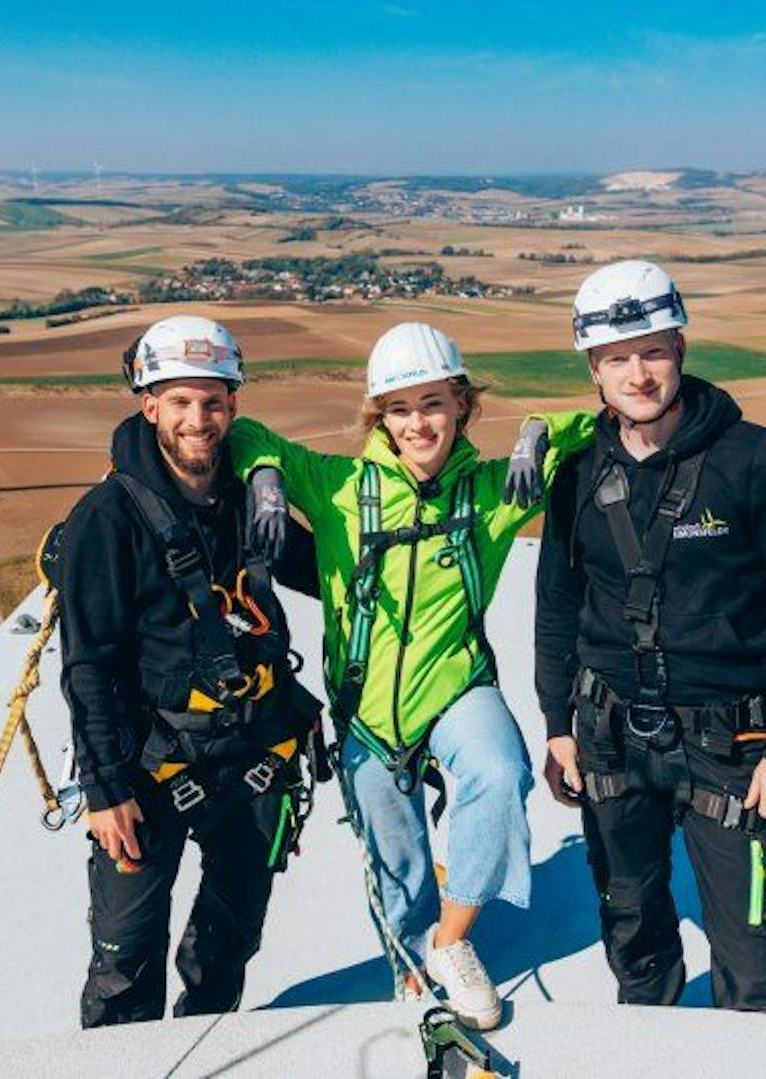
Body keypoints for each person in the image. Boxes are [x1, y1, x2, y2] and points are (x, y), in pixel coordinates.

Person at [230, 322, 591, 1029]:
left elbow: (594, 429)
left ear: (461, 403)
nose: (418, 422)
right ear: (379, 418)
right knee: (395, 859)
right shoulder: (338, 487)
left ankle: (452, 942)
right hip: (366, 706)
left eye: (433, 402)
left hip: (457, 684)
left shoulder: (494, 490)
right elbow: (245, 434)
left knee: (499, 770)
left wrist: (539, 430)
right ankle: (409, 960)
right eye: (399, 408)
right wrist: (267, 477)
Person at [535, 260, 766, 1014]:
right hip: (611, 735)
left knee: (753, 959)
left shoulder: (756, 461)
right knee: (634, 936)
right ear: (593, 370)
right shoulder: (575, 474)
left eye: (653, 351)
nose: (637, 374)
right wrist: (556, 726)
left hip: (731, 744)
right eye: (616, 358)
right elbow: (557, 604)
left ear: (681, 346)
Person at [58, 314, 324, 1027]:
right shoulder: (107, 519)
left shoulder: (245, 499)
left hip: (252, 754)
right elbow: (87, 665)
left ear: (234, 405)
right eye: (178, 401)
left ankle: (207, 1039)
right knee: (125, 962)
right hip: (150, 768)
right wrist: (105, 787)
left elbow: (335, 572)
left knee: (231, 937)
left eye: (212, 401)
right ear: (148, 405)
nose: (197, 419)